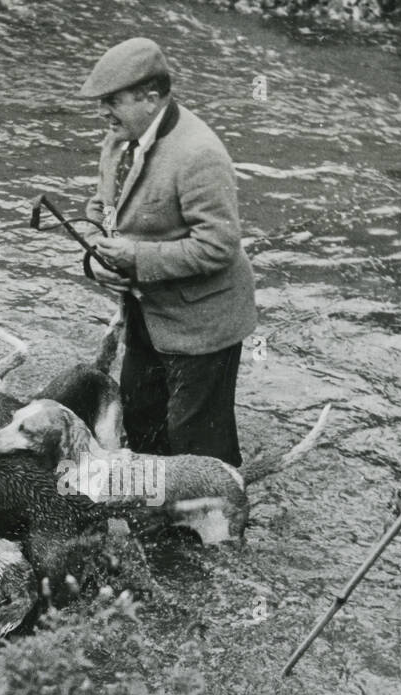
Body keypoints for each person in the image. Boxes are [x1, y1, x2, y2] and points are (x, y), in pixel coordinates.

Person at [77, 37, 257, 467]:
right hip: (146, 313)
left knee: (198, 443)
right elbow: (100, 209)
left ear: (151, 97)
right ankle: (156, 522)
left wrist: (135, 259)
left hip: (203, 324)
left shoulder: (199, 154)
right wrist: (94, 261)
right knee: (140, 421)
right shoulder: (119, 138)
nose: (103, 112)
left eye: (112, 101)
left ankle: (217, 528)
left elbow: (216, 247)